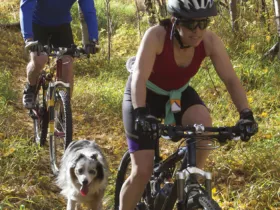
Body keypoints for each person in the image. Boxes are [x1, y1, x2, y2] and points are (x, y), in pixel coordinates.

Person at [120, 0, 258, 209]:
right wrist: (140, 112)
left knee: (203, 124)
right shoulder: (156, 36)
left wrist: (246, 114)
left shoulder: (210, 41)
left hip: (176, 95)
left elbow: (230, 79)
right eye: (191, 24)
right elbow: (139, 77)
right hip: (143, 96)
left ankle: (190, 185)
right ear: (175, 21)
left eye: (203, 23)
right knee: (142, 171)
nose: (198, 31)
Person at [20, 0, 99, 109]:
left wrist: (92, 40)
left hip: (62, 26)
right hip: (37, 23)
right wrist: (28, 38)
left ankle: (63, 114)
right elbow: (26, 7)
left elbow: (88, 11)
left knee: (67, 65)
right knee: (40, 59)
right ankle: (31, 87)